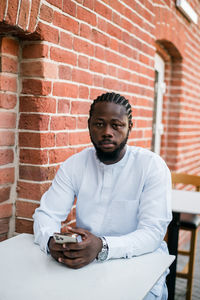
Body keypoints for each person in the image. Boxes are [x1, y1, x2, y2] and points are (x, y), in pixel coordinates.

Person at [33, 92, 172, 300]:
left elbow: (152, 233)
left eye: (116, 125)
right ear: (89, 125)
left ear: (129, 127)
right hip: (86, 261)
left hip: (141, 262)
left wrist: (103, 246)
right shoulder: (75, 165)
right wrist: (50, 241)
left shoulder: (151, 166)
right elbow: (46, 214)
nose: (107, 132)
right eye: (99, 124)